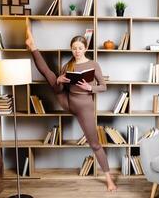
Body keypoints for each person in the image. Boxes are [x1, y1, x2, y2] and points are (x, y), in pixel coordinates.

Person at [25, 27, 117, 191]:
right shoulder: (68, 65)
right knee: (51, 76)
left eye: (80, 48)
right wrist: (60, 81)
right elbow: (59, 91)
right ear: (71, 49)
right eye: (74, 48)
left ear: (85, 48)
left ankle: (109, 180)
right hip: (67, 101)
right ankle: (32, 47)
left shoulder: (93, 64)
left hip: (84, 107)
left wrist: (90, 88)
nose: (77, 51)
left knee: (95, 144)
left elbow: (103, 87)